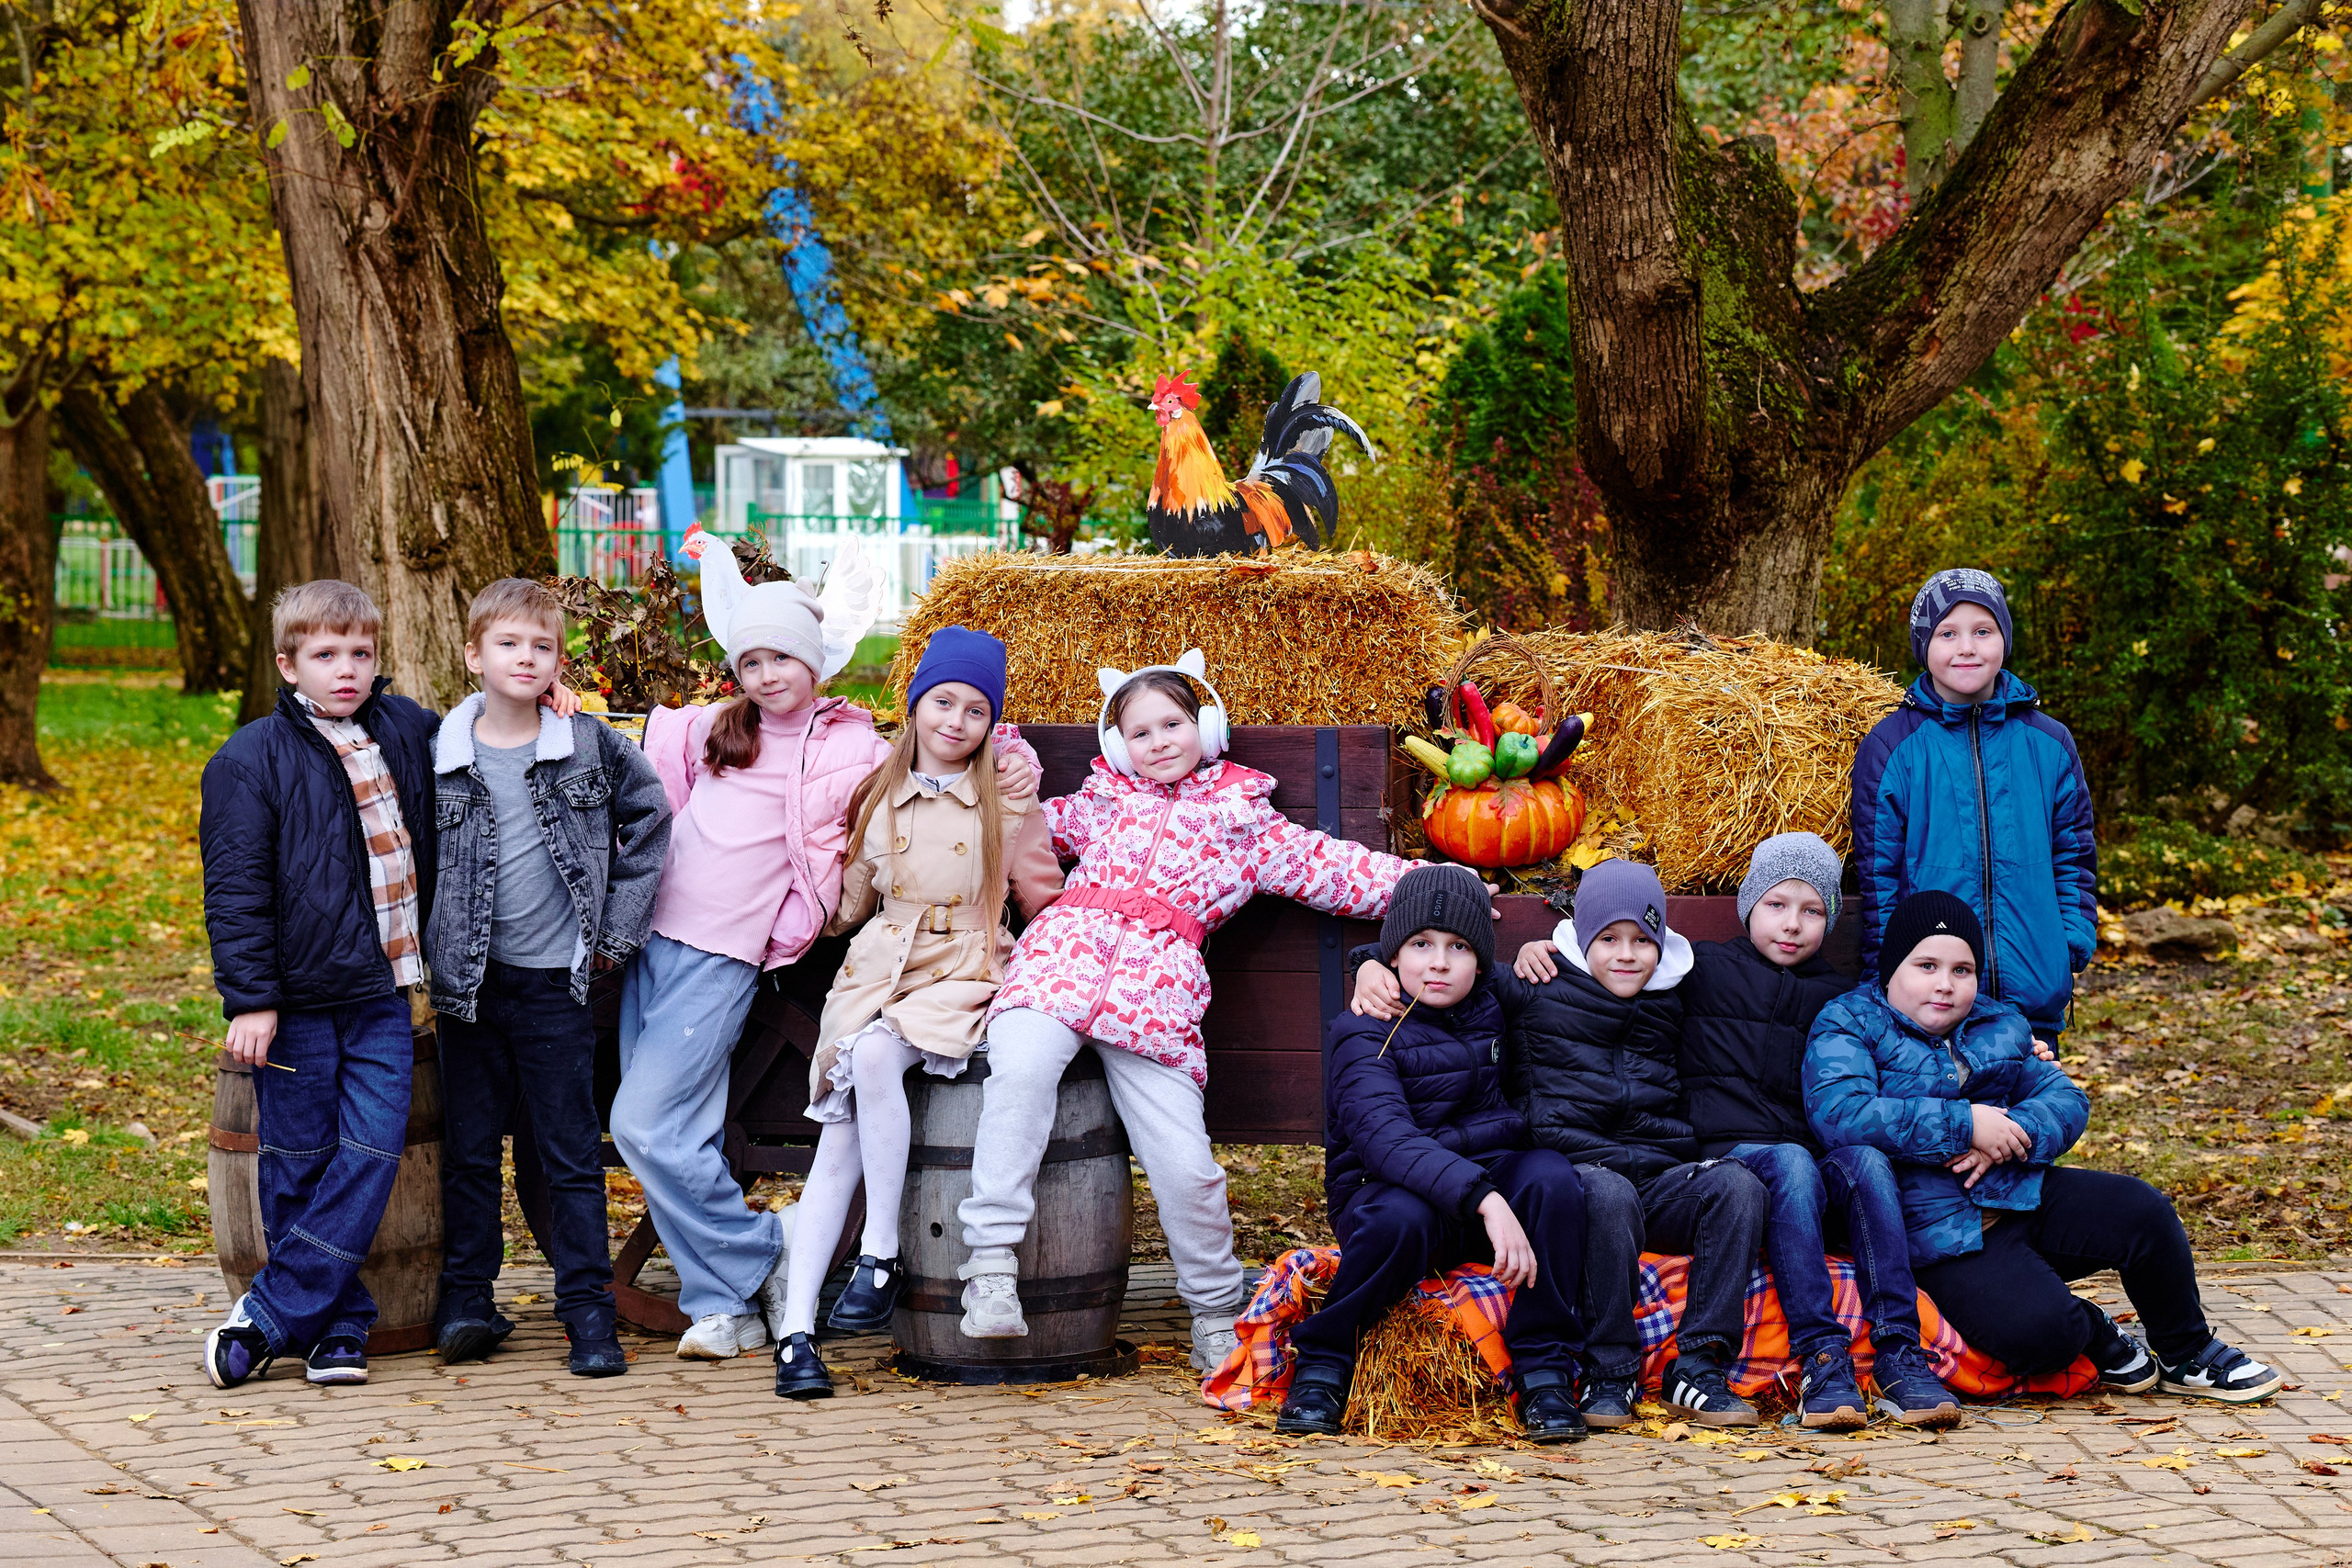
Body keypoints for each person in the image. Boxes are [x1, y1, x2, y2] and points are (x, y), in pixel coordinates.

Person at [610, 543, 1039, 1362]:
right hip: (654, 932)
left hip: (727, 946)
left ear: (818, 662)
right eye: (754, 659)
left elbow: (940, 769)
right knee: (674, 1131)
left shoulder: (854, 749)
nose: (770, 674)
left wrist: (982, 726)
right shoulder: (714, 730)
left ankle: (761, 1251)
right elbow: (655, 784)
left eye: (785, 658)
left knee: (640, 1123)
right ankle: (722, 1305)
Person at [956, 649, 1413, 1372]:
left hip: (1156, 995)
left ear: (1207, 724)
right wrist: (1000, 756)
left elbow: (1335, 867)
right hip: (1054, 964)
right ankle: (988, 1268)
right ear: (1117, 746)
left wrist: (1431, 883)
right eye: (1139, 732)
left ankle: (1214, 1309)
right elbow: (1010, 826)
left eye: (1173, 722)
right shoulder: (1097, 803)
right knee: (1018, 1080)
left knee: (1186, 1164)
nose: (1159, 740)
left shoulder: (1244, 822)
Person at [197, 580, 575, 1389]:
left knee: (371, 1150)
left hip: (385, 992)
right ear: (287, 664)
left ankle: (265, 1317)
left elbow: (488, 724)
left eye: (360, 654)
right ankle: (338, 1326)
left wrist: (551, 699)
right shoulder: (248, 760)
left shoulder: (408, 730)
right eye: (325, 655)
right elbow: (235, 889)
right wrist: (252, 997)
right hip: (297, 1002)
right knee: (300, 1159)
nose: (345, 670)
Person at [1806, 891, 2281, 1403]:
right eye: (1926, 965)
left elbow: (2065, 1098)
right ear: (1893, 967)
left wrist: (2011, 1132)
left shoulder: (1998, 1023)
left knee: (2142, 1210)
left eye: (1962, 969)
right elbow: (1841, 1113)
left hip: (2017, 1193)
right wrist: (1964, 1124)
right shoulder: (1849, 1022)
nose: (1944, 984)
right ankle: (2093, 1328)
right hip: (1940, 1236)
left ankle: (2185, 1348)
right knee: (2042, 1334)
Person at [1360, 857, 1767, 1429]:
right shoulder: (1536, 986)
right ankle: (1610, 1369)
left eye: (1642, 941)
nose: (1627, 954)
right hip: (1579, 1178)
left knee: (1738, 1185)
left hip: (1658, 1173)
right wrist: (1369, 963)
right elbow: (1448, 969)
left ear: (1663, 944)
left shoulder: (1675, 995)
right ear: (1580, 938)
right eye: (1608, 938)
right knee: (1606, 1192)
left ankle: (1697, 1365)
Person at [772, 627, 1059, 1399]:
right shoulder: (881, 796)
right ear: (915, 704)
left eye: (975, 709)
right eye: (942, 702)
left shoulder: (1008, 795)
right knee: (837, 1140)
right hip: (879, 969)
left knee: (873, 1057)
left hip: (964, 964)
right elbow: (846, 908)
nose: (956, 721)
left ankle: (880, 1251)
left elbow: (1045, 894)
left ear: (992, 722)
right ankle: (797, 1333)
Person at [424, 579, 672, 1378]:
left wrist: (616, 929)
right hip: (468, 985)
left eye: (541, 647)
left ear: (559, 662)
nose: (525, 658)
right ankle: (467, 1300)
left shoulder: (585, 744)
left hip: (554, 987)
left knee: (567, 1151)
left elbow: (651, 816)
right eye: (508, 644)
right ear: (474, 655)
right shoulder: (440, 751)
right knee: (468, 1150)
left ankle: (588, 1311)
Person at [1280, 865, 1589, 1444]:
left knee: (1551, 1177)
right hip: (1391, 1193)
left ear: (1481, 961)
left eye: (1459, 947)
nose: (1439, 963)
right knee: (1402, 1214)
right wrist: (1487, 1200)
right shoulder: (1367, 1027)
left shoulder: (1492, 995)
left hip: (1486, 1181)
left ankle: (1544, 1369)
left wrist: (1546, 949)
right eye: (1420, 945)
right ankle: (1324, 1361)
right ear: (1396, 956)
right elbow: (1386, 1139)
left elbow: (1592, 979)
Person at [1678, 833, 1957, 1428]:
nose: (1793, 924)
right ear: (1749, 902)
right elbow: (1615, 966)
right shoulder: (1701, 969)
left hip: (1806, 1175)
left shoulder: (1844, 1001)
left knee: (1865, 1159)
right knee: (1790, 1161)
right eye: (1777, 904)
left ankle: (1898, 1352)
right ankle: (1822, 1355)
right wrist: (1536, 955)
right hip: (1728, 1164)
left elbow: (1914, 1057)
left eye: (1813, 910)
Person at [1851, 569, 2098, 1042]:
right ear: (1923, 645)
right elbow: (1879, 875)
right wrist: (1888, 969)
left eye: (1982, 632)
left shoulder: (2049, 742)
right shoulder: (1892, 747)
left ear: (2003, 638)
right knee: (1953, 1117)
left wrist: (2068, 940)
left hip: (2033, 995)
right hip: (1935, 1002)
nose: (1967, 647)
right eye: (1948, 633)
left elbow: (2073, 855)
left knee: (2033, 1113)